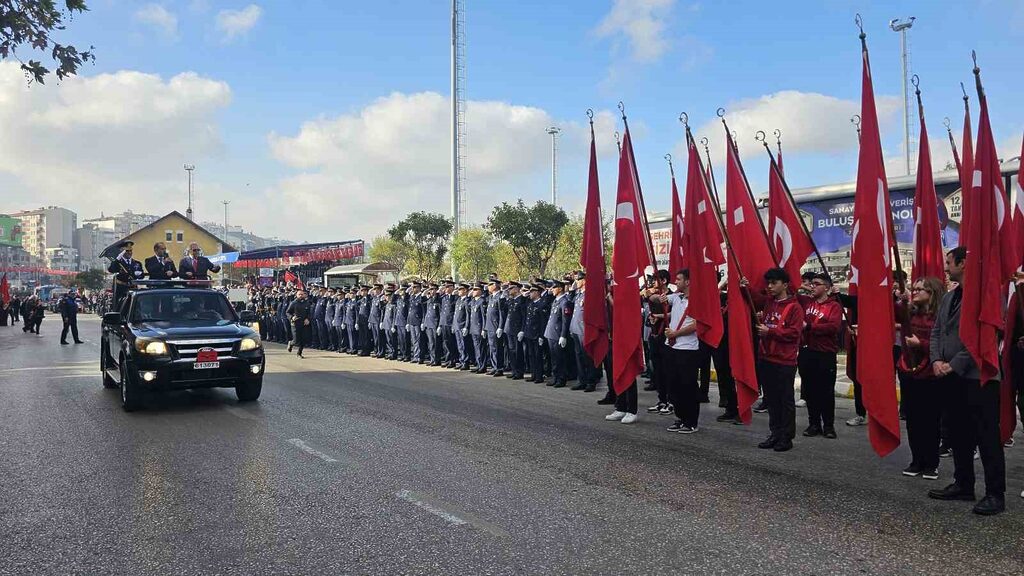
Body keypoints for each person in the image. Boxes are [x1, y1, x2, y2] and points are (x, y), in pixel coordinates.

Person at [927, 247, 1005, 515]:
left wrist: (954, 365)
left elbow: (983, 338)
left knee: (986, 437)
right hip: (951, 376)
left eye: (949, 263)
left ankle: (995, 494)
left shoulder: (986, 296)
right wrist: (936, 360)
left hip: (978, 377)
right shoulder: (950, 297)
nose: (946, 268)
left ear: (963, 263)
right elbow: (937, 330)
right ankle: (963, 484)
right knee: (958, 433)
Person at [752, 267, 804, 452]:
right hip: (766, 358)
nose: (770, 286)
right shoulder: (769, 303)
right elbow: (753, 299)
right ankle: (774, 433)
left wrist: (770, 331)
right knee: (772, 399)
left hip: (784, 361)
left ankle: (786, 437)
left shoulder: (794, 307)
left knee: (785, 400)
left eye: (774, 283)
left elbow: (794, 332)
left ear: (785, 284)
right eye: (768, 283)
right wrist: (744, 286)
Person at [898, 276, 945, 480]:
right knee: (913, 420)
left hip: (930, 375)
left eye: (920, 289)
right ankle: (917, 459)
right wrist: (899, 299)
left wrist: (922, 345)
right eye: (914, 288)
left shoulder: (939, 317)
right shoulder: (909, 313)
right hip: (910, 372)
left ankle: (931, 463)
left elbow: (942, 344)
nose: (915, 292)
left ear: (932, 293)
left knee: (930, 420)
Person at [798, 272, 843, 439]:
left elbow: (833, 327)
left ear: (827, 287)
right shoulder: (806, 302)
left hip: (825, 354)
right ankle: (814, 423)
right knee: (809, 389)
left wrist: (809, 327)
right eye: (812, 283)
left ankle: (829, 425)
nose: (813, 286)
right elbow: (791, 291)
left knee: (825, 391)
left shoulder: (834, 306)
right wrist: (803, 286)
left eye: (817, 283)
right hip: (806, 351)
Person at [660, 269, 703, 433]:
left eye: (679, 279)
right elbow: (656, 298)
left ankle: (691, 421)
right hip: (672, 347)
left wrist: (676, 333)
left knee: (688, 386)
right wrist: (661, 296)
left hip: (687, 349)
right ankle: (680, 417)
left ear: (688, 281)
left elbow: (696, 325)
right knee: (673, 385)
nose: (676, 282)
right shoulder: (677, 297)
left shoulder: (696, 301)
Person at [645, 271, 672, 414]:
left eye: (656, 280)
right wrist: (652, 318)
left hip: (667, 337)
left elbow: (673, 314)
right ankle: (661, 400)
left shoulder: (672, 296)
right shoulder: (652, 297)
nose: (653, 283)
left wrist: (659, 316)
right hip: (655, 336)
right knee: (658, 371)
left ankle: (670, 400)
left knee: (668, 371)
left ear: (664, 281)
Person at [502, 281, 528, 381]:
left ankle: (519, 371)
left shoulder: (522, 300)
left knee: (518, 352)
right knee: (511, 352)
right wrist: (503, 297)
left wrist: (522, 330)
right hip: (509, 329)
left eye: (511, 288)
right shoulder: (511, 300)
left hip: (517, 330)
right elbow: (503, 309)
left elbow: (524, 317)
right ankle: (514, 371)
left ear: (517, 289)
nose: (509, 290)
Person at [107, 241, 144, 306]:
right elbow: (111, 269)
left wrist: (139, 275)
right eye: (127, 251)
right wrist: (118, 258)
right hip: (121, 289)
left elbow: (142, 276)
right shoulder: (117, 263)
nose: (129, 253)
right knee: (119, 307)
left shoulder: (137, 263)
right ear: (122, 251)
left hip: (133, 288)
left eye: (130, 250)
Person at [525, 284, 547, 383]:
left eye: (532, 292)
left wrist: (541, 336)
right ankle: (533, 374)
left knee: (538, 356)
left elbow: (543, 322)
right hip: (529, 333)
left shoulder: (542, 304)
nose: (530, 294)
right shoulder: (531, 304)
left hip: (537, 334)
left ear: (537, 292)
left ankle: (539, 376)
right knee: (531, 355)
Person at [484, 279, 506, 377]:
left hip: (496, 326)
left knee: (497, 348)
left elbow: (501, 314)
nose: (488, 287)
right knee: (492, 348)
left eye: (490, 285)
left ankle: (499, 368)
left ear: (495, 285)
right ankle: (494, 366)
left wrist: (500, 327)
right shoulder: (491, 297)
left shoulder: (500, 297)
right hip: (489, 326)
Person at [286, 289, 311, 358]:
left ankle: (299, 353)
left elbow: (309, 313)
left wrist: (307, 319)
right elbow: (287, 312)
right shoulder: (293, 303)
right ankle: (291, 343)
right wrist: (292, 317)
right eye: (299, 294)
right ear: (296, 295)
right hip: (295, 323)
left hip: (304, 323)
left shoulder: (307, 303)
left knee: (303, 339)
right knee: (296, 340)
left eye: (302, 294)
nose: (301, 296)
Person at [452, 283, 471, 369]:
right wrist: (453, 325)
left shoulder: (467, 301)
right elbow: (455, 315)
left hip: (462, 326)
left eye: (461, 289)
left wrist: (466, 327)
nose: (459, 291)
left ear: (465, 290)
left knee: (464, 345)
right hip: (457, 326)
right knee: (459, 345)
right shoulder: (459, 300)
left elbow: (467, 315)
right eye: (458, 289)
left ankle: (465, 362)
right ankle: (461, 360)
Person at [469, 284, 486, 372]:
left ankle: (482, 366)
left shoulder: (482, 301)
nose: (473, 291)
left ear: (480, 291)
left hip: (479, 328)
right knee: (476, 348)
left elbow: (483, 316)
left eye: (476, 289)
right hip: (473, 328)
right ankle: (479, 364)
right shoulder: (473, 301)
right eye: (473, 289)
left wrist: (483, 329)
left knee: (480, 348)